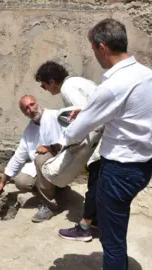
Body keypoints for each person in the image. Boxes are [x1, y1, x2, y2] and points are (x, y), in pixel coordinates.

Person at [57, 19, 152, 270]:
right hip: (142, 166)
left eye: (93, 49)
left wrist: (60, 139)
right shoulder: (145, 73)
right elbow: (126, 110)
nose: (94, 55)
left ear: (102, 48)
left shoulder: (112, 86)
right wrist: (89, 110)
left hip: (119, 172)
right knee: (117, 229)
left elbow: (76, 132)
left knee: (112, 242)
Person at [34, 61, 101, 242]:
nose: (44, 89)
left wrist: (69, 145)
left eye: (44, 84)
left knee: (95, 186)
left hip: (100, 145)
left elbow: (84, 120)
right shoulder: (79, 82)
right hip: (105, 140)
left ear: (53, 81)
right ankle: (96, 221)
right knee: (98, 185)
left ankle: (85, 228)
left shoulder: (68, 89)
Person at [0, 95, 65, 222]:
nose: (31, 109)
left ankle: (50, 206)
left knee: (41, 158)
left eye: (32, 104)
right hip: (41, 166)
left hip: (62, 163)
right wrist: (3, 181)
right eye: (26, 109)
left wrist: (52, 147)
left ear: (37, 103)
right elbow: (18, 156)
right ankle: (55, 190)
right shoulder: (29, 131)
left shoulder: (55, 116)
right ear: (25, 114)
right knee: (21, 181)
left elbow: (72, 136)